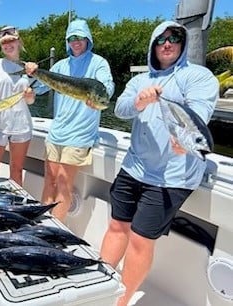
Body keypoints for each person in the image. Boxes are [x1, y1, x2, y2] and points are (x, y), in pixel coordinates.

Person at [99, 21, 219, 306]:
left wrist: (186, 140)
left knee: (140, 239)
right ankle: (100, 286)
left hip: (171, 177)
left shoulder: (198, 76)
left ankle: (120, 301)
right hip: (134, 167)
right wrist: (140, 102)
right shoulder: (140, 80)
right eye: (161, 39)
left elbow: (198, 113)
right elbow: (120, 109)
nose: (167, 43)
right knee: (117, 226)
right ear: (153, 44)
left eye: (175, 38)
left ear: (182, 44)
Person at [25, 19, 114, 222]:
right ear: (67, 41)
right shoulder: (60, 65)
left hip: (79, 135)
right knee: (50, 180)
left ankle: (54, 232)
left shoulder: (98, 63)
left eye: (81, 37)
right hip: (56, 133)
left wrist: (101, 95)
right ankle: (40, 225)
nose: (76, 41)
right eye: (72, 38)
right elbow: (39, 88)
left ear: (88, 39)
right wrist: (32, 74)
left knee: (64, 183)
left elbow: (107, 86)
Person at [0, 26, 36, 186]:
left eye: (11, 40)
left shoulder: (29, 68)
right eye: (4, 43)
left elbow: (30, 101)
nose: (8, 45)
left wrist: (29, 95)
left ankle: (14, 208)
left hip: (21, 125)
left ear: (18, 41)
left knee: (16, 171)